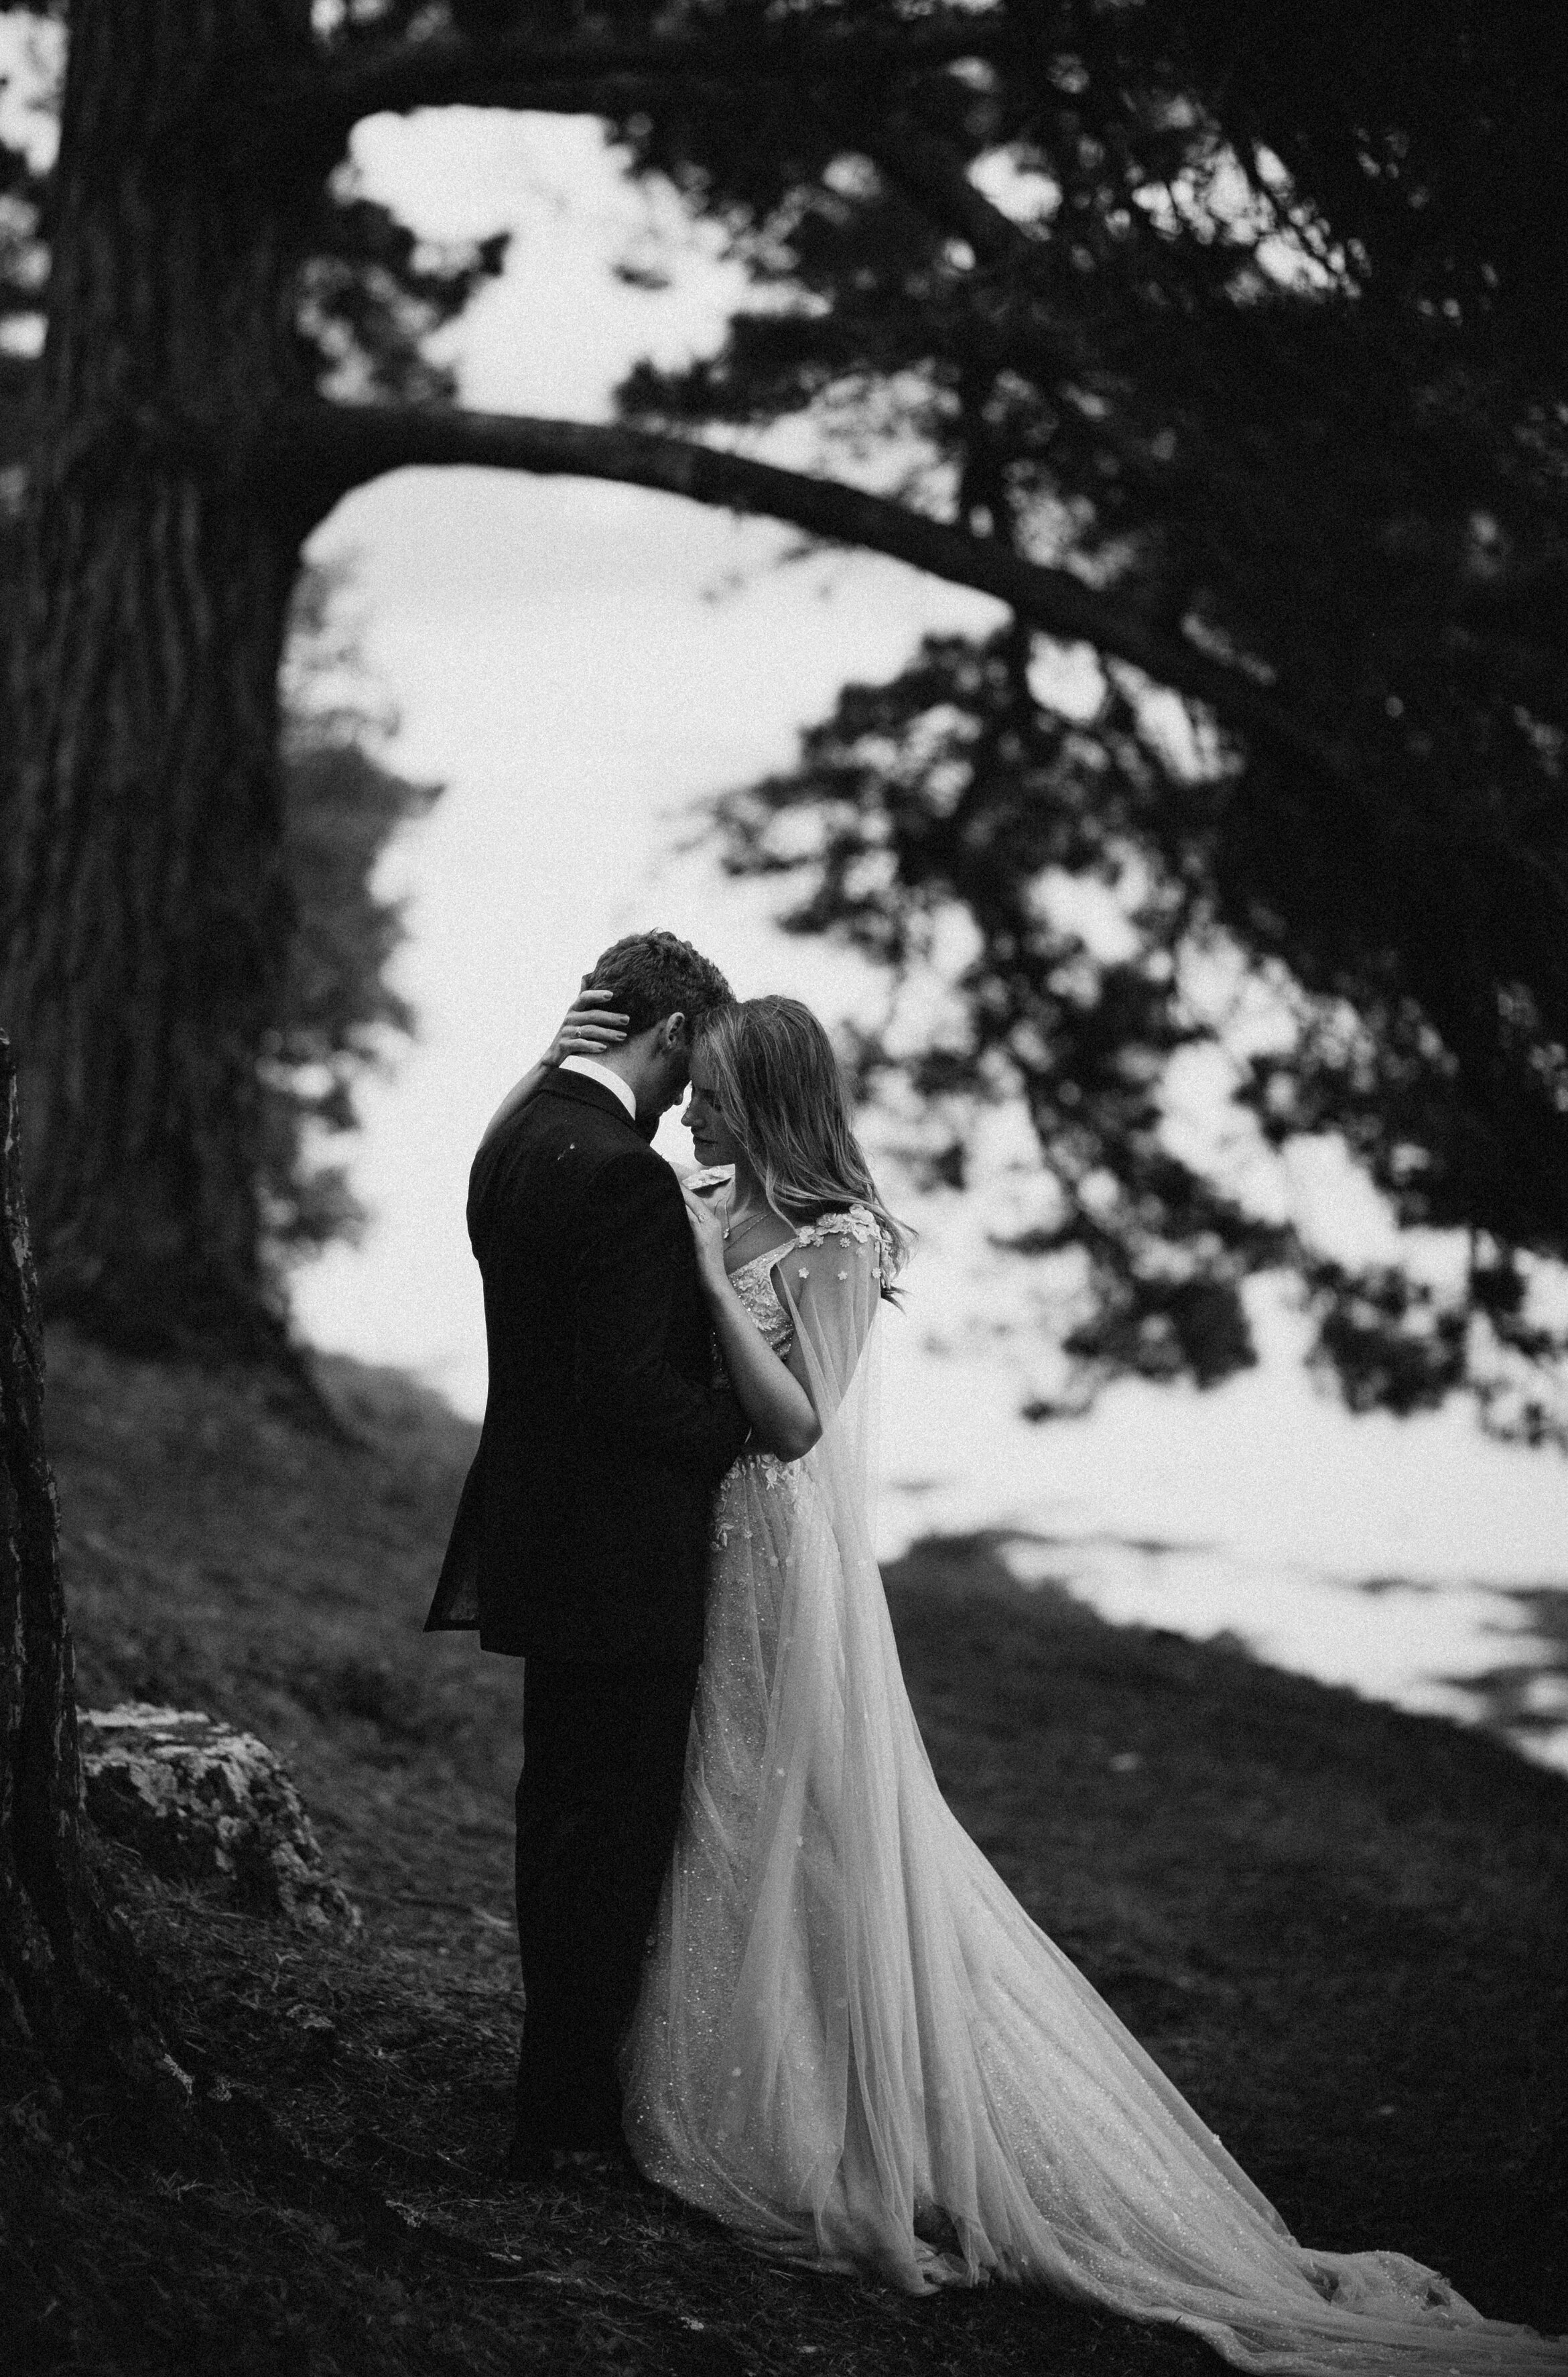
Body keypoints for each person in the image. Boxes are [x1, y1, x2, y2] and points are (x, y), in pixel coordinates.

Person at [609, 993, 1567, 2375]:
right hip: (707, 1546)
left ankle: (842, 2128)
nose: (688, 1112)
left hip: (780, 1551)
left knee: (809, 1823)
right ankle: (762, 2080)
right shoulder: (711, 1195)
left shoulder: (832, 1238)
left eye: (707, 1094)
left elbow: (799, 1420)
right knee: (730, 1813)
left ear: (763, 1099)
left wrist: (709, 1282)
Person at [423, 934, 748, 2177]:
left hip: (538, 1542)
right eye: (690, 1067)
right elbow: (625, 1385)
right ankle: (567, 2125)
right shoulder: (622, 1174)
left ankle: (548, 2101)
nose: (685, 1101)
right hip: (620, 1561)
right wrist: (739, 1428)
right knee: (612, 1844)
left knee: (555, 1825)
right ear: (666, 1034)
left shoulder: (514, 1140)